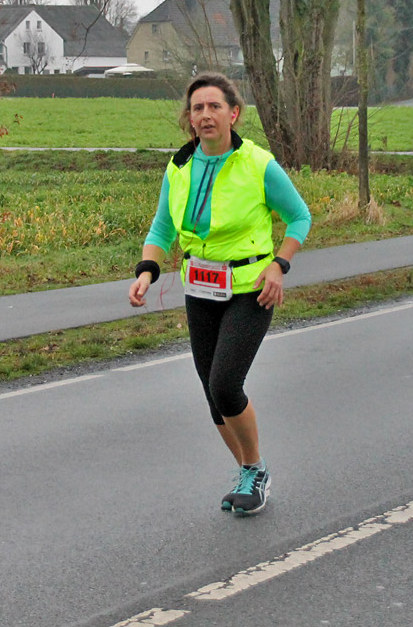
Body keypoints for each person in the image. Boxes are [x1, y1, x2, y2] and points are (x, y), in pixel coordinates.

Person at [129, 72, 311, 516]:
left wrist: (279, 265)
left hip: (251, 288)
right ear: (189, 119)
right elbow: (162, 228)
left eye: (214, 107)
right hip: (200, 288)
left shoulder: (258, 163)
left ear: (233, 113)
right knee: (212, 392)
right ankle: (250, 471)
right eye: (197, 108)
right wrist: (147, 271)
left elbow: (300, 218)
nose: (206, 115)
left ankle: (256, 471)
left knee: (226, 383)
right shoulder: (180, 167)